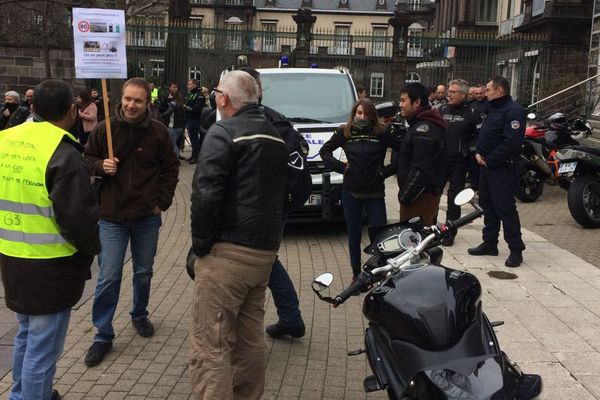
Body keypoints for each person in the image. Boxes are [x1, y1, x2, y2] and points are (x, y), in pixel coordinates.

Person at [189, 70, 288, 399]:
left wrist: (200, 247)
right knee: (249, 340)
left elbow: (205, 195)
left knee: (211, 347)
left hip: (227, 254)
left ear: (223, 99)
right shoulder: (276, 136)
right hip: (263, 254)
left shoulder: (223, 131)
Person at [0, 79, 100, 400]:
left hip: (12, 259)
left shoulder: (5, 139)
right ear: (72, 110)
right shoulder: (64, 153)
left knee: (26, 337)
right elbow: (78, 222)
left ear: (32, 107)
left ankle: (20, 395)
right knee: (42, 351)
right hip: (50, 269)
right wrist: (92, 251)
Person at [83, 77, 179, 367]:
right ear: (120, 99)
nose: (131, 105)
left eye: (138, 100)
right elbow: (86, 158)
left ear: (147, 102)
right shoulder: (105, 130)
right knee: (109, 276)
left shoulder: (159, 132)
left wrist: (161, 202)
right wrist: (101, 166)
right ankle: (103, 333)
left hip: (146, 217)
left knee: (143, 271)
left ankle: (139, 314)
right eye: (127, 99)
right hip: (111, 217)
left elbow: (171, 168)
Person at [238, 66, 310, 339]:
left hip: (259, 209)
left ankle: (287, 318)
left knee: (260, 261)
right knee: (267, 260)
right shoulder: (274, 120)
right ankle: (290, 317)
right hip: (272, 207)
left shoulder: (260, 123)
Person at [320, 98, 402, 279]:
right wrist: (341, 168)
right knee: (354, 237)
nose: (362, 116)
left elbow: (403, 151)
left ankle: (380, 274)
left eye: (365, 113)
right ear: (354, 114)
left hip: (375, 192)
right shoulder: (345, 131)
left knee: (381, 237)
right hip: (351, 192)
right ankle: (357, 275)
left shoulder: (382, 132)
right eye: (359, 113)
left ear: (372, 114)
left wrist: (385, 173)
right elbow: (324, 151)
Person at [468, 76, 526, 268]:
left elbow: (512, 142)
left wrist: (490, 158)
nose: (486, 93)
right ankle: (490, 242)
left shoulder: (513, 111)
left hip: (502, 167)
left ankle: (516, 249)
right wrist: (478, 152)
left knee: (505, 208)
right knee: (487, 205)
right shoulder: (492, 108)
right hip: (486, 167)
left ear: (500, 90)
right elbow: (484, 133)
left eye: (489, 89)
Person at [396, 82, 447, 225]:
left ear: (417, 102)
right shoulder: (421, 124)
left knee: (414, 241)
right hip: (421, 195)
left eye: (403, 100)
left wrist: (405, 196)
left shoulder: (424, 130)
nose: (400, 105)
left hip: (420, 198)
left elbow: (421, 168)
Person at [437, 79, 481, 246]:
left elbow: (479, 135)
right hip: (441, 160)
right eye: (449, 91)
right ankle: (429, 227)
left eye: (453, 92)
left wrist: (471, 149)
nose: (449, 94)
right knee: (434, 193)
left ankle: (450, 231)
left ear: (463, 94)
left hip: (459, 161)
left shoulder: (472, 112)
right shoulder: (442, 109)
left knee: (454, 197)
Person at [158, 82, 186, 159]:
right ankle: (174, 156)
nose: (175, 88)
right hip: (173, 124)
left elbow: (169, 112)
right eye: (174, 87)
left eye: (176, 87)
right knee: (173, 142)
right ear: (169, 88)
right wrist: (167, 100)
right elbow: (162, 108)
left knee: (174, 143)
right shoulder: (166, 96)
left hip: (175, 124)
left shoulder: (178, 99)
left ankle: (175, 158)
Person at [184, 79, 206, 164]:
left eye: (189, 84)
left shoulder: (199, 95)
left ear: (195, 85)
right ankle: (193, 155)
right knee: (193, 139)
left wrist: (186, 107)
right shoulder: (191, 94)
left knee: (195, 139)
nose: (188, 86)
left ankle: (196, 157)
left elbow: (197, 108)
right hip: (190, 119)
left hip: (196, 119)